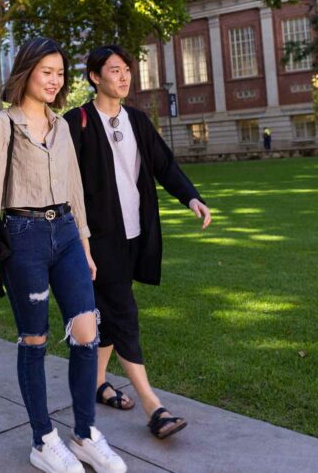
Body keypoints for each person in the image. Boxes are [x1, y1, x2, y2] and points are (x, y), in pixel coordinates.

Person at [0, 37, 127, 473]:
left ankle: (85, 433)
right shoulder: (4, 123)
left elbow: (75, 189)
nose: (56, 81)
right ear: (26, 72)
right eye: (48, 72)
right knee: (34, 340)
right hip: (23, 238)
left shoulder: (62, 127)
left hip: (65, 233)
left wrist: (86, 246)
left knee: (86, 331)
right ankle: (43, 439)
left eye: (61, 74)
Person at [65, 45, 211, 440]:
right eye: (115, 70)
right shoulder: (75, 123)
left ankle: (96, 384)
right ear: (95, 77)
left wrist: (191, 197)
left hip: (135, 234)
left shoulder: (137, 120)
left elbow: (164, 164)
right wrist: (77, 242)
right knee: (123, 312)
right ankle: (153, 406)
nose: (125, 76)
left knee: (110, 312)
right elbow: (62, 186)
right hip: (97, 240)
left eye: (127, 69)